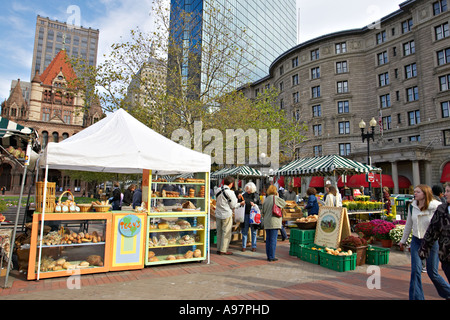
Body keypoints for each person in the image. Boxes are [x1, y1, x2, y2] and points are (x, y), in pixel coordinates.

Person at [399, 184, 450, 300]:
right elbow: (408, 224)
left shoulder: (437, 206)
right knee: (415, 271)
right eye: (415, 191)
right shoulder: (412, 206)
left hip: (432, 242)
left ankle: (448, 292)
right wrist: (403, 240)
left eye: (418, 192)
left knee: (433, 273)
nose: (415, 194)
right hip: (417, 240)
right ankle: (416, 298)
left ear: (425, 194)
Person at [419, 182, 450, 287]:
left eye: (448, 191)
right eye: (445, 191)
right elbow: (432, 231)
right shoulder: (441, 210)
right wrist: (424, 249)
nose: (445, 194)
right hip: (446, 257)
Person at [214, 176, 245, 255]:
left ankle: (218, 248)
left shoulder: (217, 190)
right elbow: (233, 205)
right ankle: (223, 250)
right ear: (231, 184)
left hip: (218, 213)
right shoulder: (230, 192)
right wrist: (240, 203)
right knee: (226, 232)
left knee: (219, 232)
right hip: (226, 214)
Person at [262, 185, 286, 262]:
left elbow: (263, 212)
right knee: (273, 240)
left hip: (267, 221)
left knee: (268, 239)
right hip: (274, 221)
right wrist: (278, 196)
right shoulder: (275, 198)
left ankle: (268, 255)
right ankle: (272, 256)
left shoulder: (266, 199)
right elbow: (284, 204)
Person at [241, 182, 260, 252]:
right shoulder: (244, 195)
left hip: (253, 215)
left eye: (249, 190)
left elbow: (260, 205)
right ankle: (243, 246)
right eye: (247, 189)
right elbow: (240, 203)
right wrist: (240, 201)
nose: (248, 191)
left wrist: (255, 205)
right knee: (244, 230)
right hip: (245, 214)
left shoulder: (256, 195)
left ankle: (254, 246)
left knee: (254, 231)